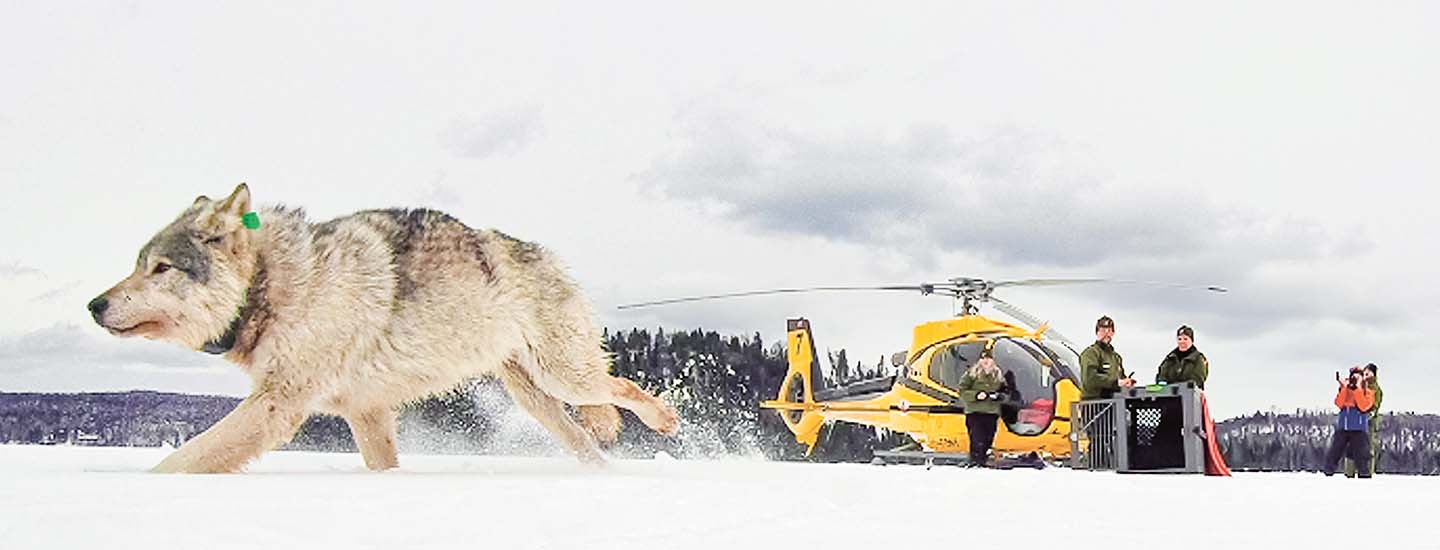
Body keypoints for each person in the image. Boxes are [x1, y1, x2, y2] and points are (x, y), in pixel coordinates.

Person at [1323, 366, 1377, 478]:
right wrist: (1344, 388)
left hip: (1359, 428)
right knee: (1334, 452)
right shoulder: (1346, 389)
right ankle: (1328, 474)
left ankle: (1364, 477)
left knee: (1361, 455)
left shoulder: (1368, 391)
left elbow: (1363, 406)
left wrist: (1357, 389)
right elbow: (1338, 403)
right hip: (1344, 426)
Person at [958, 353, 1004, 467]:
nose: (986, 361)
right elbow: (962, 391)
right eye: (983, 359)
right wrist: (976, 395)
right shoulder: (971, 374)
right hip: (975, 411)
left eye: (988, 359)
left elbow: (1006, 392)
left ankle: (984, 459)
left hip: (992, 412)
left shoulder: (999, 375)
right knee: (977, 437)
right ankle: (975, 460)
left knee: (989, 436)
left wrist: (999, 396)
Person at [1344, 363, 1383, 477]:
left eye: (1369, 373)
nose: (1366, 375)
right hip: (1355, 422)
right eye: (1365, 373)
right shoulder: (1359, 385)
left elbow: (1375, 406)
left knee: (1368, 448)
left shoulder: (1376, 389)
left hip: (1369, 424)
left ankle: (1366, 474)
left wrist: (1367, 414)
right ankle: (1349, 473)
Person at [1080, 316, 1133, 400]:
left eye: (1109, 330)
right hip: (1094, 403)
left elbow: (1121, 377)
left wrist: (1126, 382)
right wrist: (1115, 383)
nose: (1106, 333)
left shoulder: (1116, 357)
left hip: (1114, 402)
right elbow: (1090, 379)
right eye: (1103, 330)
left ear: (1113, 333)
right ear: (1097, 332)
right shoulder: (1091, 353)